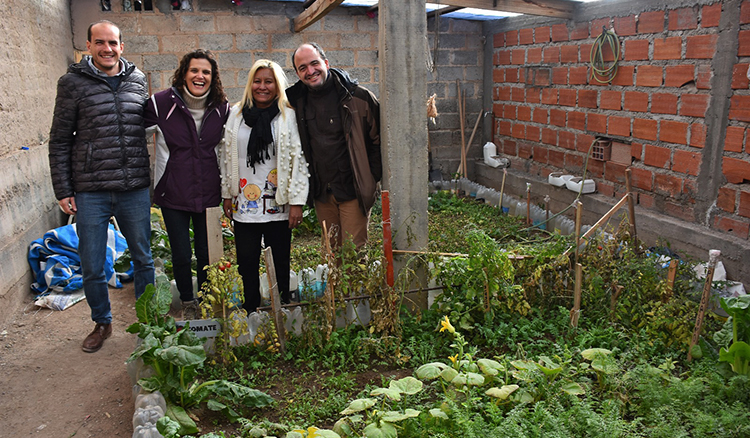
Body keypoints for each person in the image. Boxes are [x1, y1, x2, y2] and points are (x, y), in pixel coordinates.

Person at [48, 20, 154, 353]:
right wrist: (63, 189)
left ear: (122, 46)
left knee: (143, 258)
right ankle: (102, 322)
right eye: (100, 42)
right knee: (92, 263)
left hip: (133, 186)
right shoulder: (72, 83)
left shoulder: (138, 80)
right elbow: (60, 139)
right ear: (89, 46)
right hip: (91, 188)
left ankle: (149, 322)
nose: (107, 49)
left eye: (113, 43)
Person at [144, 49, 230, 320]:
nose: (200, 76)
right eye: (194, 70)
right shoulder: (159, 104)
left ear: (212, 76)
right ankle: (189, 302)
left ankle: (207, 301)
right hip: (173, 194)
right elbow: (132, 133)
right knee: (181, 254)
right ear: (184, 73)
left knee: (208, 254)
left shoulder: (222, 108)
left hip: (208, 194)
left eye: (206, 72)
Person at [220, 59, 309, 313]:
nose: (262, 87)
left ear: (277, 85)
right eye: (257, 81)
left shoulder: (287, 116)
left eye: (268, 81)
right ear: (250, 84)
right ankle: (251, 308)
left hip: (278, 204)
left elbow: (298, 160)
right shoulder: (236, 115)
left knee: (280, 260)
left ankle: (280, 308)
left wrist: (296, 202)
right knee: (246, 261)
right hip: (245, 204)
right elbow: (227, 156)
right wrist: (227, 193)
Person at [287, 42, 382, 251]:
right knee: (331, 255)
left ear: (326, 63)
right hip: (323, 193)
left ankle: (357, 286)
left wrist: (370, 177)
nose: (310, 71)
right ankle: (334, 286)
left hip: (353, 190)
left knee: (354, 255)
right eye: (303, 68)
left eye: (314, 64)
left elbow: (379, 140)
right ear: (297, 73)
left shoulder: (358, 98)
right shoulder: (296, 102)